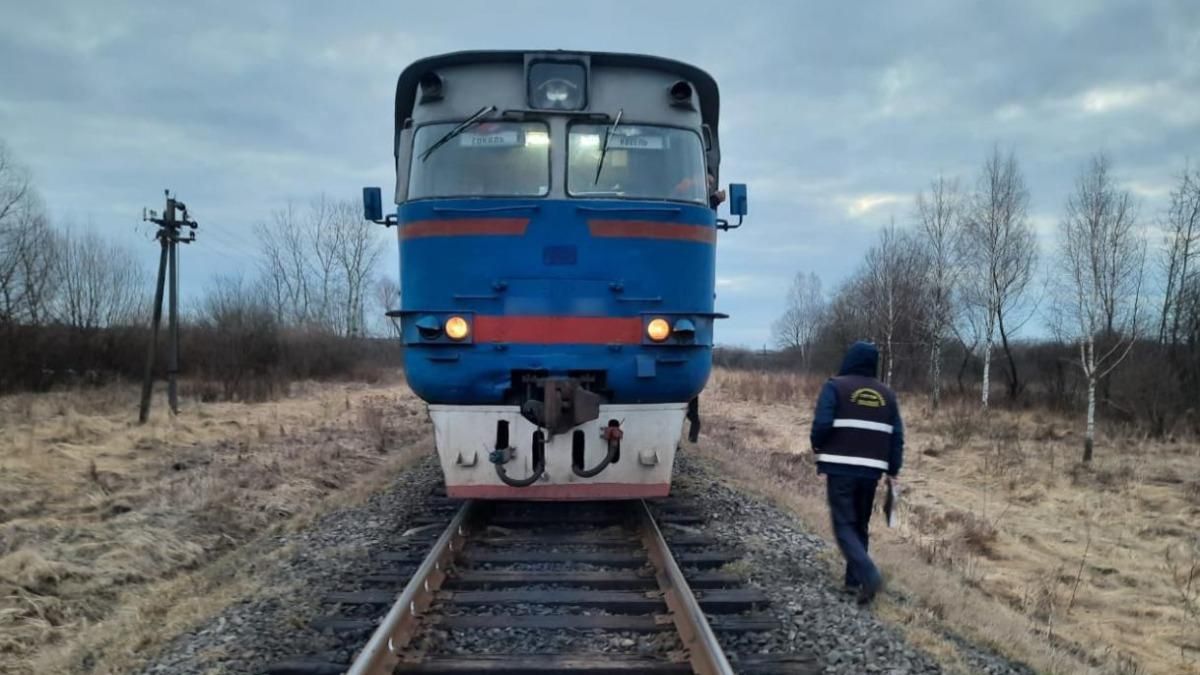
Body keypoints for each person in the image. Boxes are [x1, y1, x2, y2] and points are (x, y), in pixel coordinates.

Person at [810, 341, 904, 606]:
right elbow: (897, 437)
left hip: (840, 465)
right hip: (871, 470)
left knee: (843, 525)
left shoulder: (835, 386)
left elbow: (822, 423)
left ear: (849, 359)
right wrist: (893, 469)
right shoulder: (887, 395)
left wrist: (817, 444)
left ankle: (869, 574)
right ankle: (854, 583)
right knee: (860, 523)